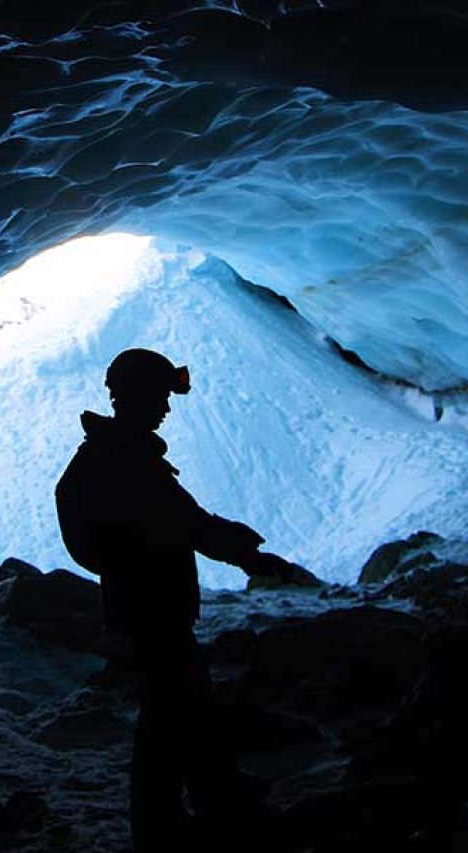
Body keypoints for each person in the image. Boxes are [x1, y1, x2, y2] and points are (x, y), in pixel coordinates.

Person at [55, 348, 292, 851]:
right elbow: (185, 522)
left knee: (186, 703)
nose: (166, 407)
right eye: (160, 396)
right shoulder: (128, 461)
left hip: (143, 604)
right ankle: (163, 821)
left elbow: (178, 521)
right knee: (170, 712)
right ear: (136, 397)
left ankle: (211, 794)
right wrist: (243, 552)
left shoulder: (116, 454)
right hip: (152, 607)